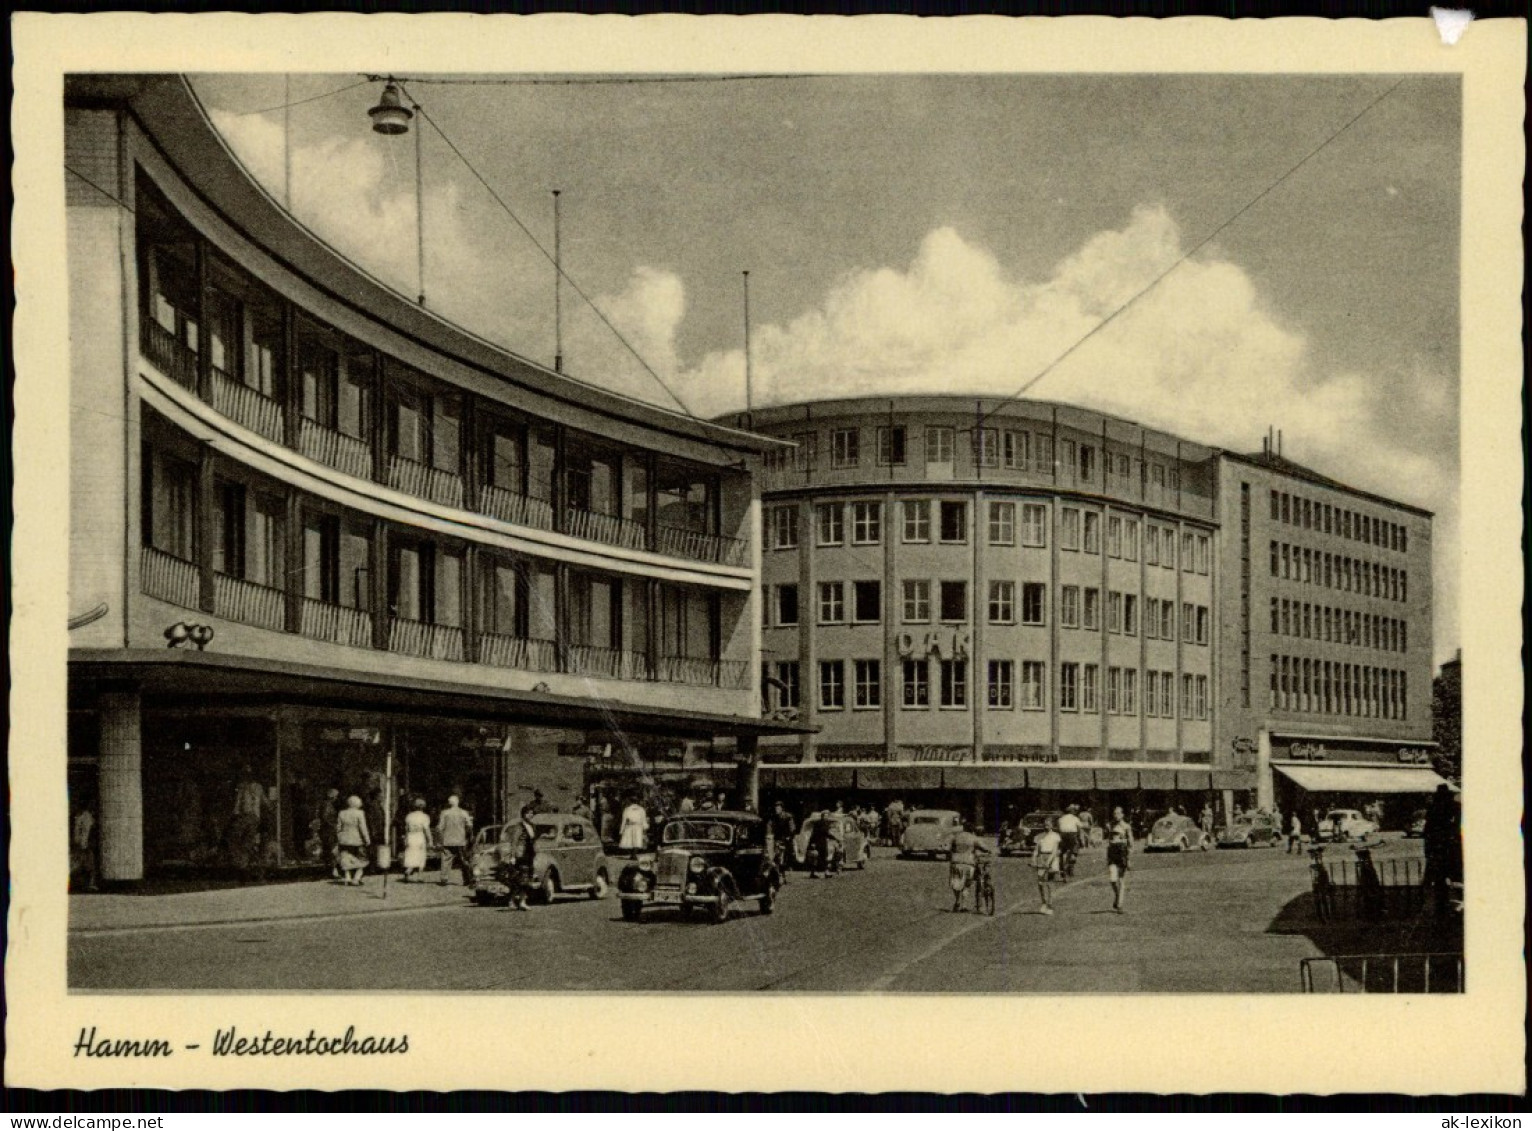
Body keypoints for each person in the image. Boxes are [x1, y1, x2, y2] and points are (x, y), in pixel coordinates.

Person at [1423, 783, 1461, 918]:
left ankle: (1441, 908)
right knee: (1454, 877)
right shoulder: (1455, 808)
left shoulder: (1433, 809)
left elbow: (1427, 832)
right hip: (1450, 847)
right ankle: (1451, 906)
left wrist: (1428, 851)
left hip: (1438, 849)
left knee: (1439, 880)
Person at [229, 769, 265, 880]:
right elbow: (264, 800)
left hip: (246, 816)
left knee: (237, 839)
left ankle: (243, 865)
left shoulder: (243, 787)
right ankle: (248, 864)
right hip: (254, 817)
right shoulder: (257, 787)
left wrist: (235, 814)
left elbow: (238, 803)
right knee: (247, 841)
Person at [948, 820, 990, 913]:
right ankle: (964, 904)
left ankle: (957, 901)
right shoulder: (973, 838)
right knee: (967, 885)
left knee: (956, 883)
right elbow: (984, 848)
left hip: (956, 862)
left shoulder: (956, 837)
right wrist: (988, 851)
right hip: (968, 863)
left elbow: (949, 849)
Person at [505, 806, 538, 911]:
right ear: (523, 814)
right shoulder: (519, 827)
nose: (530, 815)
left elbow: (533, 840)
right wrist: (513, 856)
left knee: (526, 879)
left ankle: (522, 901)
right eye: (528, 813)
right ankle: (511, 901)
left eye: (532, 813)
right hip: (521, 855)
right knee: (518, 879)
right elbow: (514, 842)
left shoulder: (532, 826)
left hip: (529, 854)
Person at [436, 794, 473, 886]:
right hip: (460, 840)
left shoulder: (444, 813)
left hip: (448, 840)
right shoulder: (464, 813)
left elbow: (440, 827)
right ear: (458, 802)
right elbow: (469, 826)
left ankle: (444, 878)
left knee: (445, 859)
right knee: (463, 860)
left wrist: (440, 839)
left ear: (449, 803)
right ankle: (467, 879)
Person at [335, 795, 371, 886]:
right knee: (362, 859)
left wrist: (339, 837)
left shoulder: (341, 813)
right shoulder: (360, 813)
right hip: (357, 839)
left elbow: (338, 827)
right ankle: (356, 878)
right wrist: (367, 839)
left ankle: (347, 878)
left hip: (344, 840)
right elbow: (363, 828)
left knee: (346, 858)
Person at [1033, 815, 1062, 915]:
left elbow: (1054, 851)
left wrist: (1048, 862)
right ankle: (1043, 902)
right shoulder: (1039, 837)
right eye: (1045, 825)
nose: (1046, 826)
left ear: (1052, 826)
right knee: (1040, 882)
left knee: (1049, 883)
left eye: (1048, 825)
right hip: (1042, 858)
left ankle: (1050, 904)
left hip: (1052, 859)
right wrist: (1033, 859)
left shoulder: (1056, 836)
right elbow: (1036, 850)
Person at [1105, 806, 1132, 913]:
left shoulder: (1126, 826)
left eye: (1118, 813)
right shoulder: (1110, 825)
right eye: (1114, 813)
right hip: (1112, 853)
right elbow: (1108, 839)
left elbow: (1131, 843)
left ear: (1122, 815)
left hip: (1122, 853)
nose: (1116, 816)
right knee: (1112, 879)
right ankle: (1117, 895)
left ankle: (1120, 904)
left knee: (1121, 879)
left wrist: (1129, 858)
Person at [401, 798, 432, 882]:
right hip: (419, 836)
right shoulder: (424, 816)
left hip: (410, 836)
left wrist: (406, 839)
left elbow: (406, 829)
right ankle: (420, 876)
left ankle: (409, 869)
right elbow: (426, 829)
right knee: (421, 855)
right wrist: (430, 840)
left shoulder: (409, 816)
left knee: (411, 854)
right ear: (423, 807)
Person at [71, 802, 98, 892]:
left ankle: (90, 883)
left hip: (80, 844)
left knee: (83, 863)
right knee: (87, 864)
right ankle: (90, 884)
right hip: (84, 845)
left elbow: (78, 832)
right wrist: (84, 844)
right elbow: (86, 831)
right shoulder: (86, 817)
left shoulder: (79, 816)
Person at [319, 788, 341, 877]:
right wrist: (334, 825)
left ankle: (329, 869)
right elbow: (325, 817)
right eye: (335, 796)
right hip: (329, 831)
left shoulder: (325, 804)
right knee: (332, 850)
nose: (336, 798)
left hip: (326, 831)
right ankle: (333, 870)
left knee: (328, 850)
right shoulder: (328, 805)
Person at [1056, 805, 1082, 880]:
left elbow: (1058, 829)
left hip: (1063, 835)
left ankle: (1061, 869)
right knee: (1075, 847)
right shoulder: (1075, 818)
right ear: (1073, 811)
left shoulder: (1061, 819)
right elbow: (1080, 828)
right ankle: (1072, 859)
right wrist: (1079, 836)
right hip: (1072, 835)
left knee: (1061, 851)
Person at [770, 801, 797, 870]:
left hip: (787, 839)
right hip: (777, 839)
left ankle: (782, 873)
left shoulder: (788, 817)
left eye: (778, 808)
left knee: (785, 857)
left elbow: (792, 828)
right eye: (776, 808)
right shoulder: (774, 817)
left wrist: (789, 837)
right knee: (776, 857)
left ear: (782, 809)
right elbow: (771, 827)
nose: (776, 810)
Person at [806, 810, 832, 879]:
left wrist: (834, 838)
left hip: (823, 843)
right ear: (822, 816)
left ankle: (826, 872)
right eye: (825, 815)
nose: (826, 817)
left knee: (824, 858)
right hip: (817, 843)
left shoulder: (826, 823)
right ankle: (812, 873)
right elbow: (814, 834)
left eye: (827, 816)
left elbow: (827, 834)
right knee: (815, 858)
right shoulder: (818, 823)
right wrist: (813, 843)